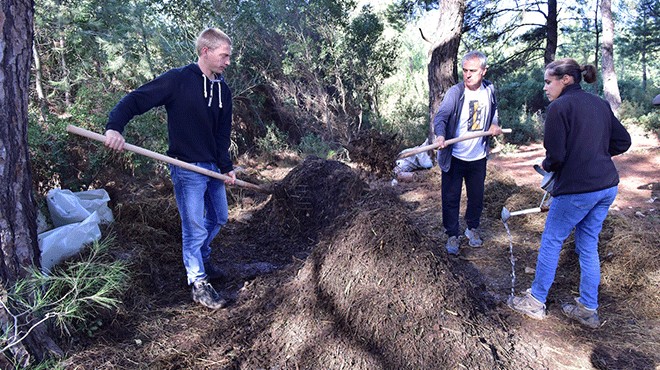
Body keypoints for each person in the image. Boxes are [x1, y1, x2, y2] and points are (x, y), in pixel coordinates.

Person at [104, 28, 236, 310]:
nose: (228, 62)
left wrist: (227, 167)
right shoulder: (178, 80)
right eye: (224, 55)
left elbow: (222, 134)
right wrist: (115, 126)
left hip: (213, 167)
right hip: (186, 167)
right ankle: (198, 282)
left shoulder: (223, 90)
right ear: (205, 51)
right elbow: (137, 99)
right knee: (194, 226)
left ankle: (201, 257)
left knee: (220, 218)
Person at [507, 58, 631, 328]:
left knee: (552, 240)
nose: (545, 87)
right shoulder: (599, 103)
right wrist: (595, 155)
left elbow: (556, 156)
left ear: (566, 80)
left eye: (548, 81)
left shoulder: (559, 107)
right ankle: (588, 308)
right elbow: (623, 141)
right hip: (607, 186)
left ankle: (536, 300)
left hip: (578, 189)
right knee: (588, 244)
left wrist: (550, 167)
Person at [432, 51, 504, 255]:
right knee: (451, 197)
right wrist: (440, 136)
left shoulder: (489, 89)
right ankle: (452, 235)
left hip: (478, 157)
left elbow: (494, 110)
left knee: (476, 197)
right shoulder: (455, 92)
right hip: (455, 157)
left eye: (472, 71)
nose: (467, 75)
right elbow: (441, 117)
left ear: (483, 71)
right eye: (464, 70)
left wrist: (494, 124)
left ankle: (472, 229)